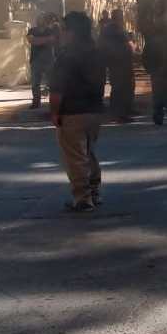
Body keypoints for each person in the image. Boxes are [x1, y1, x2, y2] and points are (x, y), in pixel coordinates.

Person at [50, 12, 106, 212]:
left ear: (72, 32)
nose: (61, 34)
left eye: (64, 29)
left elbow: (57, 90)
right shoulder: (96, 53)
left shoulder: (66, 56)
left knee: (75, 157)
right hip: (94, 111)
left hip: (72, 112)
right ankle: (94, 192)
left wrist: (54, 112)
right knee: (88, 153)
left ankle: (83, 198)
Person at [99, 9, 136, 122]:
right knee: (120, 88)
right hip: (118, 63)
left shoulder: (113, 28)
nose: (122, 18)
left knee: (122, 88)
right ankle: (119, 114)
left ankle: (123, 111)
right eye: (121, 16)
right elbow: (123, 44)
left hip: (120, 62)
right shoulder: (113, 29)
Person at [27, 12, 59, 109]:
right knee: (35, 83)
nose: (41, 20)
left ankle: (53, 102)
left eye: (42, 18)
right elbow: (31, 40)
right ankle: (36, 102)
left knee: (52, 83)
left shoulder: (50, 30)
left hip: (49, 60)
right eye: (39, 18)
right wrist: (46, 40)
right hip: (35, 60)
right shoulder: (32, 30)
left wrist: (38, 40)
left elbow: (52, 39)